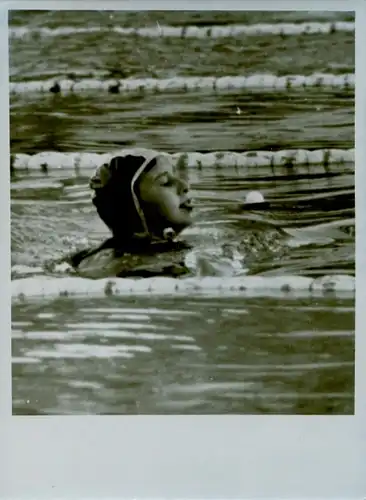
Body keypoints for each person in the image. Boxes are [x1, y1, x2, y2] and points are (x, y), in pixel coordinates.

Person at [68, 149, 194, 279]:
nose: (184, 185)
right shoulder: (125, 265)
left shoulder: (165, 251)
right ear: (130, 206)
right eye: (165, 182)